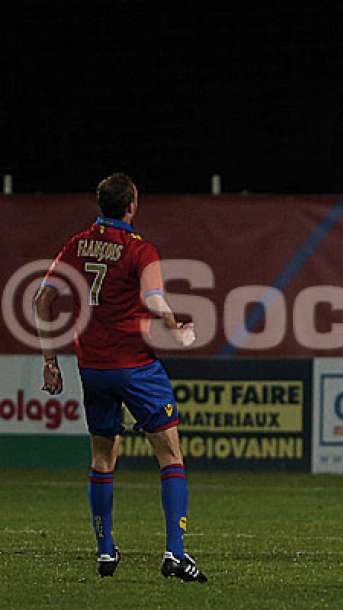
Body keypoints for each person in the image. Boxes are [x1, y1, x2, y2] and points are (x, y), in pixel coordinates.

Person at [33, 173, 207, 582]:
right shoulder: (139, 249)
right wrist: (176, 328)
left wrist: (49, 360)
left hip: (93, 367)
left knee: (102, 458)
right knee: (170, 455)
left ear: (101, 205)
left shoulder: (77, 244)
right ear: (132, 205)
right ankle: (175, 553)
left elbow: (42, 299)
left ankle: (106, 550)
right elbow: (154, 299)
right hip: (136, 367)